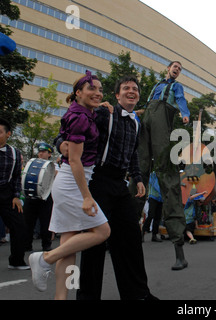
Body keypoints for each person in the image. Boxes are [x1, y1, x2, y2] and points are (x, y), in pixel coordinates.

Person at [69, 75, 155, 300]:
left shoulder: (136, 122)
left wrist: (137, 178)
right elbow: (75, 128)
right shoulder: (103, 113)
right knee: (95, 242)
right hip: (97, 179)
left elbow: (134, 152)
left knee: (130, 239)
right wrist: (62, 144)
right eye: (126, 88)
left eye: (135, 89)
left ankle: (138, 294)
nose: (131, 91)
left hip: (119, 183)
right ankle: (87, 297)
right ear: (117, 95)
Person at [29, 72, 111, 299]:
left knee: (70, 245)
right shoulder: (80, 117)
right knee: (103, 231)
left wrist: (101, 104)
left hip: (70, 180)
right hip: (73, 182)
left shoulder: (84, 113)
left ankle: (61, 297)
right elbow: (75, 160)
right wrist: (86, 196)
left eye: (100, 89)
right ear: (78, 92)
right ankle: (44, 258)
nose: (97, 93)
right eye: (91, 89)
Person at [136, 61, 190, 271]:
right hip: (148, 116)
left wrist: (184, 113)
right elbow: (150, 103)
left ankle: (179, 250)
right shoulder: (157, 85)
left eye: (179, 68)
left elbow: (180, 100)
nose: (176, 69)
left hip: (162, 118)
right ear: (168, 68)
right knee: (139, 169)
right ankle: (127, 234)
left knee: (166, 174)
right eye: (174, 66)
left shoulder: (176, 87)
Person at [0, 118, 29, 270]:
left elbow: (17, 176)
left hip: (7, 194)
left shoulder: (15, 153)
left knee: (19, 226)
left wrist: (16, 196)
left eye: (0, 132)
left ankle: (17, 261)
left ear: (8, 134)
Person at [23, 143, 55, 252]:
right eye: (40, 151)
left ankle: (46, 244)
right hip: (31, 197)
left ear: (49, 154)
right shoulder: (32, 163)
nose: (41, 153)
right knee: (28, 222)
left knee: (46, 222)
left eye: (44, 152)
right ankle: (27, 244)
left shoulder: (53, 166)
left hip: (45, 197)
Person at [142, 171, 163, 242]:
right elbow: (155, 184)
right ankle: (142, 233)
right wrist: (162, 191)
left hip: (161, 199)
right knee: (151, 215)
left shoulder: (163, 175)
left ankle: (154, 235)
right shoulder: (153, 174)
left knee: (157, 217)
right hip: (153, 197)